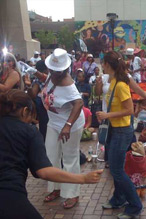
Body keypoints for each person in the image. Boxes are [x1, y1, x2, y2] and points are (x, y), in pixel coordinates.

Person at [0, 89, 102, 219]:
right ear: (24, 111)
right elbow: (44, 172)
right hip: (9, 194)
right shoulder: (28, 132)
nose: (31, 120)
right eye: (31, 115)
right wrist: (83, 178)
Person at [96, 51, 143, 219]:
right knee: (116, 167)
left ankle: (135, 206)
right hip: (114, 129)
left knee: (116, 170)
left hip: (122, 130)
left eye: (103, 63)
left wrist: (107, 115)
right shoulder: (113, 80)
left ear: (108, 65)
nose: (102, 66)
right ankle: (119, 198)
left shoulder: (121, 84)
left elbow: (129, 110)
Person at [41, 48, 86, 209]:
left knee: (70, 158)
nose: (53, 72)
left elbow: (79, 103)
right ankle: (56, 188)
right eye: (51, 70)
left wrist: (67, 125)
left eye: (56, 71)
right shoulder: (52, 77)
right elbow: (48, 86)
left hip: (70, 125)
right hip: (53, 123)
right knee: (51, 156)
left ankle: (72, 194)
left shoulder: (68, 84)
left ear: (64, 70)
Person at [26, 60, 49, 140]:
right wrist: (28, 86)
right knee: (44, 128)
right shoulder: (38, 80)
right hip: (44, 109)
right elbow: (32, 95)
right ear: (45, 69)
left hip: (50, 108)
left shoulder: (51, 78)